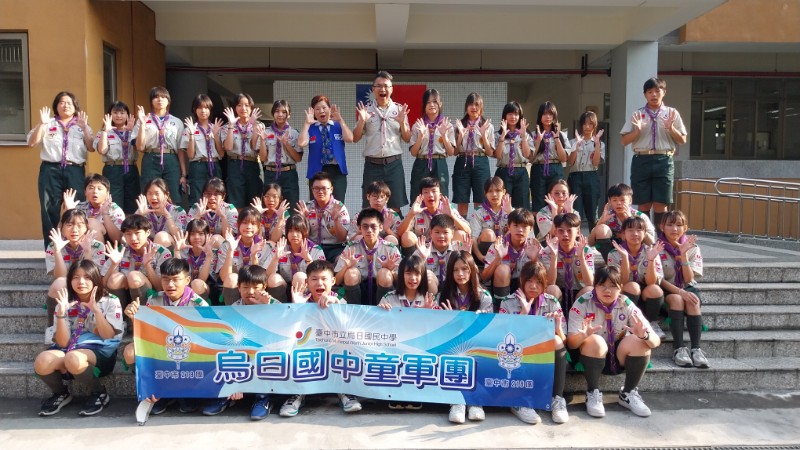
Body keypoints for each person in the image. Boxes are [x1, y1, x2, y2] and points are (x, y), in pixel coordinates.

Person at [567, 266, 661, 418]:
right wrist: (583, 335)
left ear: (620, 288)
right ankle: (592, 392)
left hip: (617, 355)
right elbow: (571, 344)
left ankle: (628, 393)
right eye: (602, 285)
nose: (607, 290)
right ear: (594, 286)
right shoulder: (583, 303)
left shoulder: (626, 304)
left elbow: (655, 341)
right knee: (596, 341)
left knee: (640, 342)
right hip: (589, 356)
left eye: (612, 286)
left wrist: (644, 335)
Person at [124, 258, 209, 424]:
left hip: (190, 349)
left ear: (187, 280)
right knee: (130, 352)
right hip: (161, 345)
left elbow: (205, 339)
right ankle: (155, 391)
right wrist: (134, 317)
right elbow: (145, 334)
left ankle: (188, 394)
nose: (170, 285)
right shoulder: (154, 300)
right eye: (165, 279)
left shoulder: (199, 304)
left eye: (176, 279)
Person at [34, 260, 123, 416]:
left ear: (95, 279)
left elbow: (108, 336)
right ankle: (60, 393)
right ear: (70, 280)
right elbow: (63, 343)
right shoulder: (64, 302)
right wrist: (61, 314)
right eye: (76, 277)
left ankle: (99, 393)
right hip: (69, 349)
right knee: (42, 360)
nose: (81, 282)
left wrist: (96, 310)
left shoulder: (110, 300)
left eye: (87, 277)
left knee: (73, 358)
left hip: (100, 353)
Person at [280, 260, 362, 417]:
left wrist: (335, 304)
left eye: (324, 279)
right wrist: (298, 308)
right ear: (307, 282)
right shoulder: (300, 299)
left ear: (333, 281)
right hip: (308, 351)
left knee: (346, 350)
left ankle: (344, 391)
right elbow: (289, 333)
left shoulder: (340, 299)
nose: (319, 283)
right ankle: (297, 394)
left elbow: (349, 329)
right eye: (314, 279)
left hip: (333, 350)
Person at [204, 265, 280, 419]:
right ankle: (227, 395)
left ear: (264, 287)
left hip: (266, 352)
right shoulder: (234, 308)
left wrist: (265, 308)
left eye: (255, 287)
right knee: (223, 354)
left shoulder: (274, 305)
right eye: (245, 287)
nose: (250, 291)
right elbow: (229, 339)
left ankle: (263, 398)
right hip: (243, 352)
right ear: (238, 288)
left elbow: (280, 332)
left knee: (266, 357)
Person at [498, 261, 568, 424]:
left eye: (538, 282)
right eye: (529, 281)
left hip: (542, 353)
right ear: (521, 280)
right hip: (517, 351)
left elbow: (564, 341)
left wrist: (557, 328)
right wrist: (524, 313)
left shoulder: (552, 302)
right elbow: (503, 338)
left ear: (545, 284)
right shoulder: (507, 302)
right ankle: (519, 402)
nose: (533, 286)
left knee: (557, 340)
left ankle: (557, 399)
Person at [620, 77, 687, 230]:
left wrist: (671, 128)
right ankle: (645, 238)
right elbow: (624, 141)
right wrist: (637, 130)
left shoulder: (672, 113)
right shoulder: (637, 114)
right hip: (641, 159)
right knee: (643, 203)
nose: (654, 95)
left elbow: (682, 139)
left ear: (664, 92)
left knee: (661, 204)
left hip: (664, 159)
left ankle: (662, 239)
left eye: (657, 91)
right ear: (645, 94)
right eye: (650, 92)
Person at [28, 91, 93, 246]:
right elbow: (31, 143)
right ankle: (52, 249)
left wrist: (85, 129)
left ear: (75, 106)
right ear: (56, 106)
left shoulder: (81, 124)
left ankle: (78, 248)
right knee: (49, 209)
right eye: (62, 103)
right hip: (50, 170)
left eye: (69, 103)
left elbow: (91, 147)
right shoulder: (48, 123)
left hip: (74, 170)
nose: (65, 106)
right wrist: (41, 124)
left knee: (77, 208)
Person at [436, 250, 493, 424]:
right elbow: (439, 331)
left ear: (472, 270)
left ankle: (476, 402)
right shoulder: (443, 296)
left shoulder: (484, 297)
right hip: (451, 344)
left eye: (464, 269)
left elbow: (487, 329)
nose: (460, 274)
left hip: (476, 344)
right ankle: (457, 401)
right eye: (455, 270)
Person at [658, 210, 710, 368]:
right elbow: (659, 280)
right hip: (667, 290)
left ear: (685, 228)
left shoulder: (693, 248)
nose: (675, 229)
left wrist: (684, 255)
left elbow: (688, 279)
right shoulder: (656, 248)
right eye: (670, 224)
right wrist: (680, 292)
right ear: (662, 227)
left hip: (687, 287)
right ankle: (679, 349)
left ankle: (696, 349)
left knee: (693, 301)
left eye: (679, 225)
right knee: (677, 299)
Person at [353, 71, 410, 210]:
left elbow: (407, 139)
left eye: (386, 86)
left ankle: (393, 225)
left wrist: (402, 123)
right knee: (370, 206)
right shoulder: (366, 110)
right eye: (378, 86)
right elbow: (355, 138)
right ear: (373, 89)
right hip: (372, 165)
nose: (382, 89)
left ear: (391, 89)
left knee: (395, 205)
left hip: (394, 164)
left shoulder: (399, 110)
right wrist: (362, 121)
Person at [607, 216, 666, 339]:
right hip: (626, 292)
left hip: (646, 293)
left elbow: (651, 282)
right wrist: (624, 258)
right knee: (633, 286)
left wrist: (651, 260)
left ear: (644, 233)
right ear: (623, 234)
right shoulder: (614, 253)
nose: (635, 234)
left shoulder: (651, 251)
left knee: (655, 289)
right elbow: (620, 281)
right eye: (630, 230)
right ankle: (629, 323)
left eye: (639, 230)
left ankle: (651, 323)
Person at [45, 209, 106, 326]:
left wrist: (87, 251)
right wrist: (57, 251)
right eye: (69, 225)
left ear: (87, 227)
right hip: (66, 286)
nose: (74, 230)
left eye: (80, 225)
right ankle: (52, 327)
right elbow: (61, 277)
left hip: (88, 285)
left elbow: (92, 277)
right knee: (59, 283)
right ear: (62, 228)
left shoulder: (97, 246)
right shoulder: (53, 245)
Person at [102, 214, 173, 308]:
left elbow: (161, 288)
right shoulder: (120, 251)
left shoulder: (161, 252)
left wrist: (147, 265)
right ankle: (118, 314)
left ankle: (142, 313)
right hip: (125, 297)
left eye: (137, 233)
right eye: (128, 234)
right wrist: (113, 265)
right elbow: (103, 284)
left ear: (148, 232)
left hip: (150, 298)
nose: (133, 238)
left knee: (134, 276)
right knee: (115, 279)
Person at [335, 208, 400, 306]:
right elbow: (337, 281)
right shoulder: (351, 247)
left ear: (381, 227)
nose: (369, 230)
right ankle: (354, 310)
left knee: (385, 274)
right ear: (359, 228)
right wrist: (346, 267)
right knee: (350, 273)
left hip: (381, 289)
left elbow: (401, 282)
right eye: (365, 226)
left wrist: (391, 271)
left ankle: (382, 310)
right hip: (358, 289)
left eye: (373, 226)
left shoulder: (390, 248)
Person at [133, 86, 185, 203]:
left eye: (163, 97)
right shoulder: (144, 119)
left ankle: (172, 214)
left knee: (173, 193)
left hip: (171, 158)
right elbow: (140, 147)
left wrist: (184, 173)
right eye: (156, 97)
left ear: (168, 101)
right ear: (151, 101)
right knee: (150, 191)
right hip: (151, 157)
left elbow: (180, 148)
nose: (160, 99)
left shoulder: (176, 122)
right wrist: (142, 124)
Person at [397, 177, 470, 258]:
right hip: (420, 250)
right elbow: (400, 233)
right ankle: (412, 264)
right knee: (407, 236)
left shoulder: (447, 208)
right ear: (421, 196)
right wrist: (411, 214)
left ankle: (456, 262)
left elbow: (468, 231)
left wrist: (451, 215)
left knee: (461, 234)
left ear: (440, 195)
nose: (430, 195)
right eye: (426, 192)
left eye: (434, 191)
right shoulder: (416, 209)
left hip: (444, 248)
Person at [481, 208, 540, 308]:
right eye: (515, 225)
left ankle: (532, 308)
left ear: (530, 229)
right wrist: (498, 259)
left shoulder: (534, 246)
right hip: (502, 285)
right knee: (503, 269)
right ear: (509, 227)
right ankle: (501, 308)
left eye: (524, 226)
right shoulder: (498, 246)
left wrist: (534, 259)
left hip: (526, 284)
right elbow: (484, 278)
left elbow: (545, 280)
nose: (520, 230)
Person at [298, 95, 353, 202]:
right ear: (314, 112)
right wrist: (307, 123)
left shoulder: (338, 125)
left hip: (337, 171)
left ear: (330, 109)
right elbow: (301, 143)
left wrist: (340, 120)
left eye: (324, 108)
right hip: (317, 170)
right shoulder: (310, 128)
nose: (321, 111)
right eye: (317, 109)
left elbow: (350, 138)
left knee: (337, 204)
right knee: (316, 204)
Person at [260, 214, 325, 303]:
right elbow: (267, 276)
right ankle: (279, 307)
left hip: (305, 288)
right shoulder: (281, 247)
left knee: (300, 276)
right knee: (273, 278)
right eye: (290, 231)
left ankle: (300, 306)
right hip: (284, 287)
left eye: (298, 231)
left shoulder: (315, 250)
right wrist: (275, 258)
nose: (294, 235)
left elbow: (320, 276)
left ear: (305, 232)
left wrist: (308, 260)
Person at [540, 213, 594, 317]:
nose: (565, 234)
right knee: (551, 289)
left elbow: (589, 282)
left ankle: (580, 321)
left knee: (589, 290)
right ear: (555, 232)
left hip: (579, 292)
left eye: (569, 231)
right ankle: (554, 319)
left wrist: (581, 257)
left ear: (578, 232)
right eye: (561, 231)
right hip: (559, 292)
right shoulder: (547, 252)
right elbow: (550, 282)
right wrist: (554, 256)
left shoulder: (586, 250)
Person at [452, 92, 495, 218]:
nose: (474, 107)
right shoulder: (459, 125)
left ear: (481, 107)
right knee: (462, 199)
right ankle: (462, 226)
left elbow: (490, 152)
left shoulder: (487, 126)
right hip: (462, 161)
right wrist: (461, 135)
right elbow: (454, 152)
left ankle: (479, 225)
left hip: (481, 161)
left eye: (477, 104)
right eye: (471, 104)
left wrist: (483, 135)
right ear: (466, 107)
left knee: (480, 198)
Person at [588, 183, 656, 261]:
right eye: (614, 200)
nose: (618, 203)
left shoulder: (640, 216)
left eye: (622, 200)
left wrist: (632, 222)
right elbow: (590, 243)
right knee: (601, 228)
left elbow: (652, 242)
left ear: (630, 200)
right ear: (610, 202)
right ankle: (611, 263)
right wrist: (600, 222)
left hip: (638, 253)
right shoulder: (608, 216)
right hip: (613, 251)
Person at [409, 88, 455, 199]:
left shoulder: (447, 125)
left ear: (440, 104)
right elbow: (413, 153)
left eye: (435, 101)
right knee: (418, 196)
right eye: (428, 102)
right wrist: (420, 136)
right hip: (421, 163)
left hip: (439, 162)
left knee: (441, 196)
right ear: (424, 105)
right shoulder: (418, 125)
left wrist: (444, 135)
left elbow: (451, 152)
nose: (432, 105)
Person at [94, 100, 140, 214]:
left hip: (131, 168)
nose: (119, 115)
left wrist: (133, 131)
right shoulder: (103, 132)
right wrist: (105, 131)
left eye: (122, 113)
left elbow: (140, 147)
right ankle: (115, 224)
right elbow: (101, 150)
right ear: (109, 115)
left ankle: (130, 224)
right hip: (113, 169)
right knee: (114, 202)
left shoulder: (133, 131)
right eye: (115, 112)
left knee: (133, 202)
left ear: (127, 115)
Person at [220, 93, 264, 209]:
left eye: (246, 105)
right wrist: (231, 125)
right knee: (236, 201)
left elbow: (255, 147)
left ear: (251, 108)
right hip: (235, 164)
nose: (243, 108)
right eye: (239, 105)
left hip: (253, 164)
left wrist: (253, 125)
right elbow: (228, 147)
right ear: (234, 107)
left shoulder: (259, 125)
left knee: (254, 202)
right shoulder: (226, 126)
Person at [255, 100, 301, 209]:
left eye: (284, 112)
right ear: (273, 113)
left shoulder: (294, 133)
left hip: (289, 174)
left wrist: (286, 144)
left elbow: (298, 158)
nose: (280, 114)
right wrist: (262, 140)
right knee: (270, 207)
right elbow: (263, 158)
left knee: (291, 207)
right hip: (271, 173)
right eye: (277, 111)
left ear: (289, 114)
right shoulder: (265, 132)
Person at [295, 171, 350, 261]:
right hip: (313, 247)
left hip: (335, 247)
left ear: (331, 189)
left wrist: (336, 220)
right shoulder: (307, 207)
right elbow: (303, 237)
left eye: (324, 188)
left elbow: (342, 238)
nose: (320, 192)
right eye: (316, 188)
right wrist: (303, 220)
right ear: (312, 190)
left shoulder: (339, 207)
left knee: (342, 261)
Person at [181, 94, 224, 207]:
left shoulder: (217, 127)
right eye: (199, 108)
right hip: (198, 165)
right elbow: (190, 155)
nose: (203, 111)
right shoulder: (189, 129)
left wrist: (215, 134)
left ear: (210, 109)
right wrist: (191, 134)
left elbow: (222, 153)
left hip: (214, 164)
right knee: (197, 198)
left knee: (216, 197)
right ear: (194, 110)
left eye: (206, 107)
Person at [218, 207, 267, 305]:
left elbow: (258, 279)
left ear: (258, 227)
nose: (248, 227)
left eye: (253, 224)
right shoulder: (227, 244)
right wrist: (231, 250)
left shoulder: (265, 246)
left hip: (254, 287)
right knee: (232, 278)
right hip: (235, 286)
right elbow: (224, 277)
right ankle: (233, 312)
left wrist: (254, 255)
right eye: (244, 223)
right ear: (238, 224)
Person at [413, 214, 471, 295]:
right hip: (432, 289)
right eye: (437, 232)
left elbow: (472, 271)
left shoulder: (459, 248)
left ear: (452, 234)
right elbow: (412, 272)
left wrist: (467, 256)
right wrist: (423, 258)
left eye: (445, 232)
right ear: (430, 233)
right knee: (428, 276)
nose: (441, 236)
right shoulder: (423, 249)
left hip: (453, 287)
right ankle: (432, 302)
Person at [530, 101, 571, 213]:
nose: (547, 117)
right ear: (540, 116)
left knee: (557, 200)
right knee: (538, 200)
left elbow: (564, 158)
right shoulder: (533, 135)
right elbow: (530, 158)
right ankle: (539, 224)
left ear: (554, 116)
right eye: (544, 114)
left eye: (550, 114)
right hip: (538, 168)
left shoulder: (562, 135)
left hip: (556, 167)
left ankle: (557, 222)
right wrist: (538, 141)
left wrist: (557, 138)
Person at [568, 111, 605, 230]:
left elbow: (595, 163)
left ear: (595, 125)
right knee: (575, 212)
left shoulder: (599, 143)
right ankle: (576, 239)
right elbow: (570, 162)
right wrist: (577, 146)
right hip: (575, 177)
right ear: (581, 125)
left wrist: (597, 144)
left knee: (592, 213)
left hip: (591, 176)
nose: (587, 127)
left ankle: (593, 239)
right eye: (584, 124)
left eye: (590, 124)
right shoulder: (572, 142)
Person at [62, 174, 125, 244]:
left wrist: (105, 214)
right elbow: (61, 234)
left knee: (92, 222)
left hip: (107, 246)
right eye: (91, 188)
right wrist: (68, 211)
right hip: (80, 245)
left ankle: (97, 251)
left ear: (107, 193)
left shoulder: (114, 209)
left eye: (99, 189)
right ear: (85, 192)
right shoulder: (78, 207)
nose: (95, 191)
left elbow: (117, 239)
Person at [493, 101, 532, 209]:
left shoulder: (526, 134)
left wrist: (523, 137)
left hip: (521, 171)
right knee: (503, 204)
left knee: (522, 205)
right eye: (510, 114)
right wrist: (502, 137)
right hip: (503, 171)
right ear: (505, 116)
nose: (513, 117)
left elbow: (527, 155)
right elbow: (497, 155)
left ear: (520, 116)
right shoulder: (497, 135)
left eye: (516, 114)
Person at [136, 178, 190, 250]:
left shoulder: (178, 211)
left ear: (166, 195)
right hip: (148, 251)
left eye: (157, 194)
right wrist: (140, 216)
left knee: (161, 237)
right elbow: (129, 234)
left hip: (173, 250)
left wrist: (167, 215)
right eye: (149, 194)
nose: (153, 197)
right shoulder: (143, 210)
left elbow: (179, 238)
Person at [469, 177, 512, 265]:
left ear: (504, 192)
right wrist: (480, 256)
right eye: (490, 191)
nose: (494, 194)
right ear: (485, 193)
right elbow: (473, 238)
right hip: (484, 254)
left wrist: (510, 213)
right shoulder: (478, 211)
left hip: (505, 251)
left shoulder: (510, 210)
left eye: (498, 190)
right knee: (488, 234)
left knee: (513, 229)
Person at [172, 219, 216, 301]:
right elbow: (177, 273)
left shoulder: (212, 252)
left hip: (205, 288)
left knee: (197, 284)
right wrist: (177, 251)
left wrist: (209, 256)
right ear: (188, 236)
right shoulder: (182, 250)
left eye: (201, 234)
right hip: (185, 285)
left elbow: (202, 279)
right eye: (192, 234)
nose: (196, 237)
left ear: (207, 235)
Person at [188, 177, 239, 244]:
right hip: (200, 244)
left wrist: (223, 217)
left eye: (216, 194)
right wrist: (198, 216)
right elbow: (188, 234)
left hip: (222, 246)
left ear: (223, 196)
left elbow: (230, 237)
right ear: (203, 195)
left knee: (216, 238)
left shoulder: (229, 209)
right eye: (208, 194)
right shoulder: (196, 208)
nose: (212, 198)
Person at [348, 181, 401, 245]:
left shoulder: (392, 215)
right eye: (375, 196)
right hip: (366, 247)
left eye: (382, 197)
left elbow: (398, 239)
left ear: (387, 199)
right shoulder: (360, 216)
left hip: (385, 248)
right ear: (368, 196)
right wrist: (359, 232)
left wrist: (387, 229)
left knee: (391, 239)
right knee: (359, 237)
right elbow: (349, 239)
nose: (378, 200)